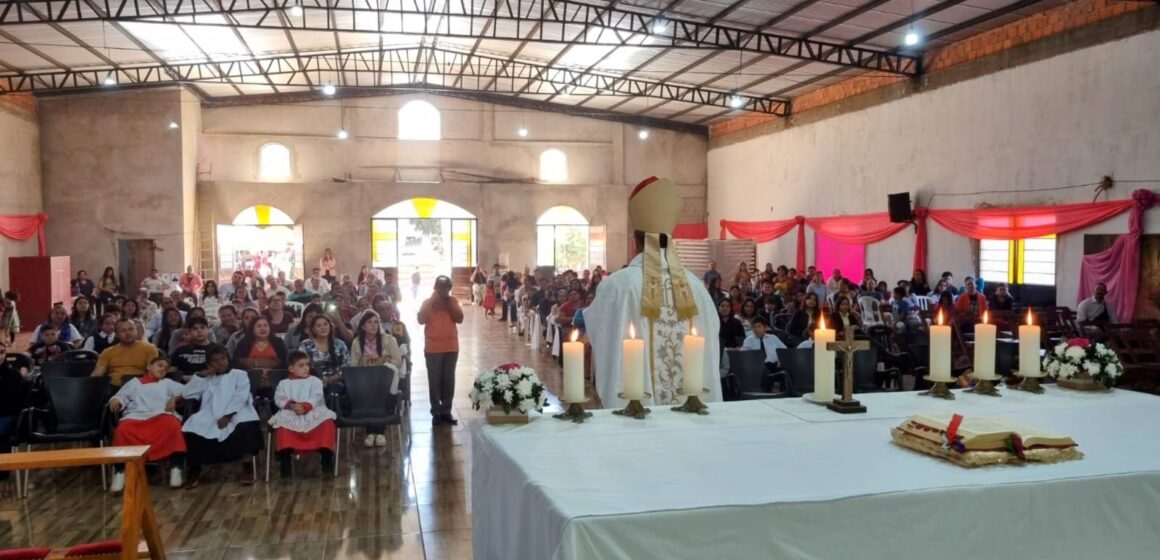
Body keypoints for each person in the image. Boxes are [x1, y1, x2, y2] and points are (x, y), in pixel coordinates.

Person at [585, 176, 722, 408]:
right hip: (692, 418)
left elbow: (600, 334)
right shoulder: (697, 288)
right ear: (671, 239)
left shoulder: (616, 286)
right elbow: (712, 340)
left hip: (635, 415)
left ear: (635, 241)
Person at [181, 345, 262, 488]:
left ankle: (247, 465)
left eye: (223, 359)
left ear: (228, 359)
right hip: (210, 412)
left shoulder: (239, 374)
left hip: (237, 410)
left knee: (246, 424)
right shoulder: (205, 379)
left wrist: (228, 415)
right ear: (209, 364)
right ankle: (194, 469)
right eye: (215, 360)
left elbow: (241, 396)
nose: (220, 362)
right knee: (193, 426)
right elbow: (187, 394)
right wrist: (202, 375)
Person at [108, 356, 187, 491]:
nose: (163, 369)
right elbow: (121, 396)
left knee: (173, 426)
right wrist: (116, 400)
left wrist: (176, 398)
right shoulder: (134, 383)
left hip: (161, 414)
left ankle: (176, 468)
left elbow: (187, 391)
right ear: (149, 366)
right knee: (122, 430)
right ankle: (120, 472)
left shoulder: (167, 383)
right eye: (159, 365)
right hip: (136, 415)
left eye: (166, 368)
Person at [270, 350, 337, 478]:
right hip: (291, 412)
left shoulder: (315, 381)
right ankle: (285, 463)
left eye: (307, 365)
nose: (306, 368)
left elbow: (317, 396)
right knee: (282, 426)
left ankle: (327, 459)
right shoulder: (283, 384)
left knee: (327, 422)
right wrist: (291, 405)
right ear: (291, 368)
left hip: (312, 411)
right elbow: (279, 398)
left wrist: (306, 406)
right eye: (301, 365)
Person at [349, 312, 404, 447]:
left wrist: (375, 362)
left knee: (382, 392)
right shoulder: (357, 342)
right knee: (366, 392)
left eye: (375, 322)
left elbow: (397, 361)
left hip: (385, 379)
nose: (373, 325)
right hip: (365, 380)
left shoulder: (389, 339)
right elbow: (354, 365)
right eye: (369, 322)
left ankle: (379, 432)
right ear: (362, 326)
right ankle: (370, 432)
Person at [417, 276, 464, 426]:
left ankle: (446, 411)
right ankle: (436, 412)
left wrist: (447, 304)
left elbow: (459, 318)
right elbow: (421, 319)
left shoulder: (453, 302)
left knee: (448, 381)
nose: (444, 291)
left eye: (447, 288)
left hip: (451, 348)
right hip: (433, 349)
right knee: (435, 381)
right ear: (435, 289)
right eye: (441, 288)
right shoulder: (427, 302)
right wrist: (432, 302)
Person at [92, 319, 160, 387]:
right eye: (123, 331)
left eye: (131, 329)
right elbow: (97, 374)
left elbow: (153, 374)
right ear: (117, 335)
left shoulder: (149, 349)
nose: (128, 333)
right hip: (113, 388)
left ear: (136, 330)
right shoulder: (108, 352)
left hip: (140, 387)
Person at [0, 338, 28, 480]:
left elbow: (16, 402)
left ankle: (3, 471)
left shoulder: (13, 375)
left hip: (8, 415)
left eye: (2, 352)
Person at [299, 315, 349, 382]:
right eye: (319, 326)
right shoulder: (305, 345)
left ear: (330, 327)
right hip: (312, 381)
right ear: (313, 330)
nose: (323, 328)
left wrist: (331, 379)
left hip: (337, 381)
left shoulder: (340, 344)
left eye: (325, 324)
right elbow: (300, 365)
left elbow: (346, 366)